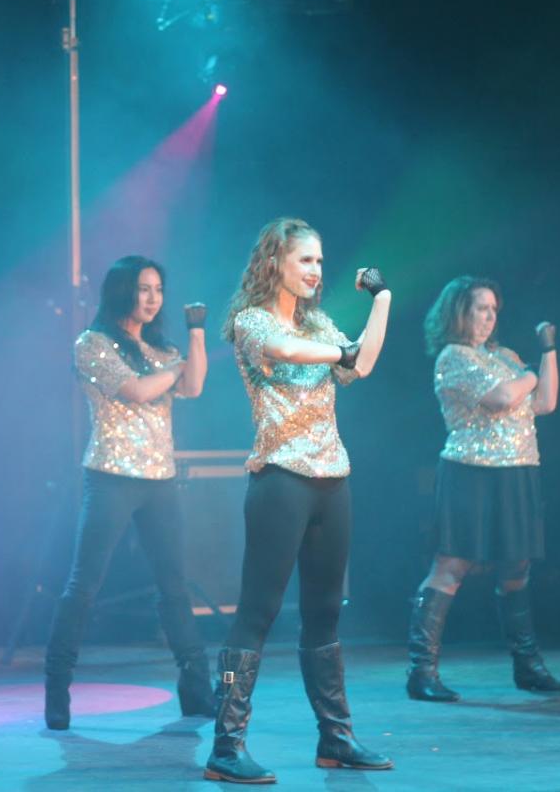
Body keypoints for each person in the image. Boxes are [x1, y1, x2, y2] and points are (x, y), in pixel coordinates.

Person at [204, 217, 393, 784]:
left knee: (325, 613)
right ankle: (226, 744)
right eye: (305, 260)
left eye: (319, 261)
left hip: (332, 480)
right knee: (257, 614)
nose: (316, 271)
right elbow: (292, 348)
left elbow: (359, 363)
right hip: (281, 481)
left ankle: (336, 737)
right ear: (275, 264)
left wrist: (382, 299)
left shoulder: (319, 322)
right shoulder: (252, 322)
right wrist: (336, 348)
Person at [44, 255, 213, 729]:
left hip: (159, 478)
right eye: (144, 288)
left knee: (174, 586)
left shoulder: (162, 349)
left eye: (159, 288)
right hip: (112, 476)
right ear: (122, 291)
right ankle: (57, 689)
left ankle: (197, 690)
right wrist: (176, 370)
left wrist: (196, 332)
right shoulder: (92, 344)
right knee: (84, 584)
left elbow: (194, 385)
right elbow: (135, 391)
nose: (153, 298)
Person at [404, 277, 560, 701]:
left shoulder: (507, 356)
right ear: (460, 312)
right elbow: (500, 397)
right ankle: (422, 671)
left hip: (518, 471)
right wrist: (529, 375)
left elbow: (546, 402)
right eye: (481, 308)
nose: (489, 317)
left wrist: (547, 354)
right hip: (470, 471)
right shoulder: (452, 357)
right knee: (453, 565)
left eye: (494, 309)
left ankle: (527, 666)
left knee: (517, 566)